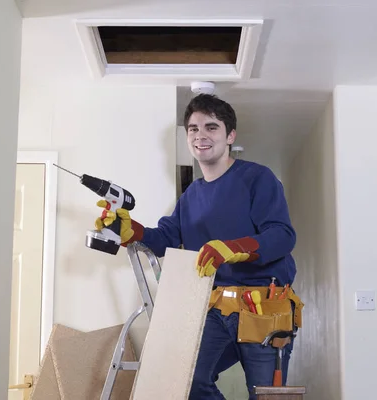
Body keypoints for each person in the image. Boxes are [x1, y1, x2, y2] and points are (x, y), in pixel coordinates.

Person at [94, 94, 302, 399]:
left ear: (230, 135)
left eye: (211, 127)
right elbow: (165, 238)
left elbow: (283, 235)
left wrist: (234, 248)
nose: (200, 135)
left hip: (263, 308)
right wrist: (131, 230)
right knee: (188, 381)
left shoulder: (257, 178)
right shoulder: (191, 196)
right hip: (215, 310)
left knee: (266, 395)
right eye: (193, 129)